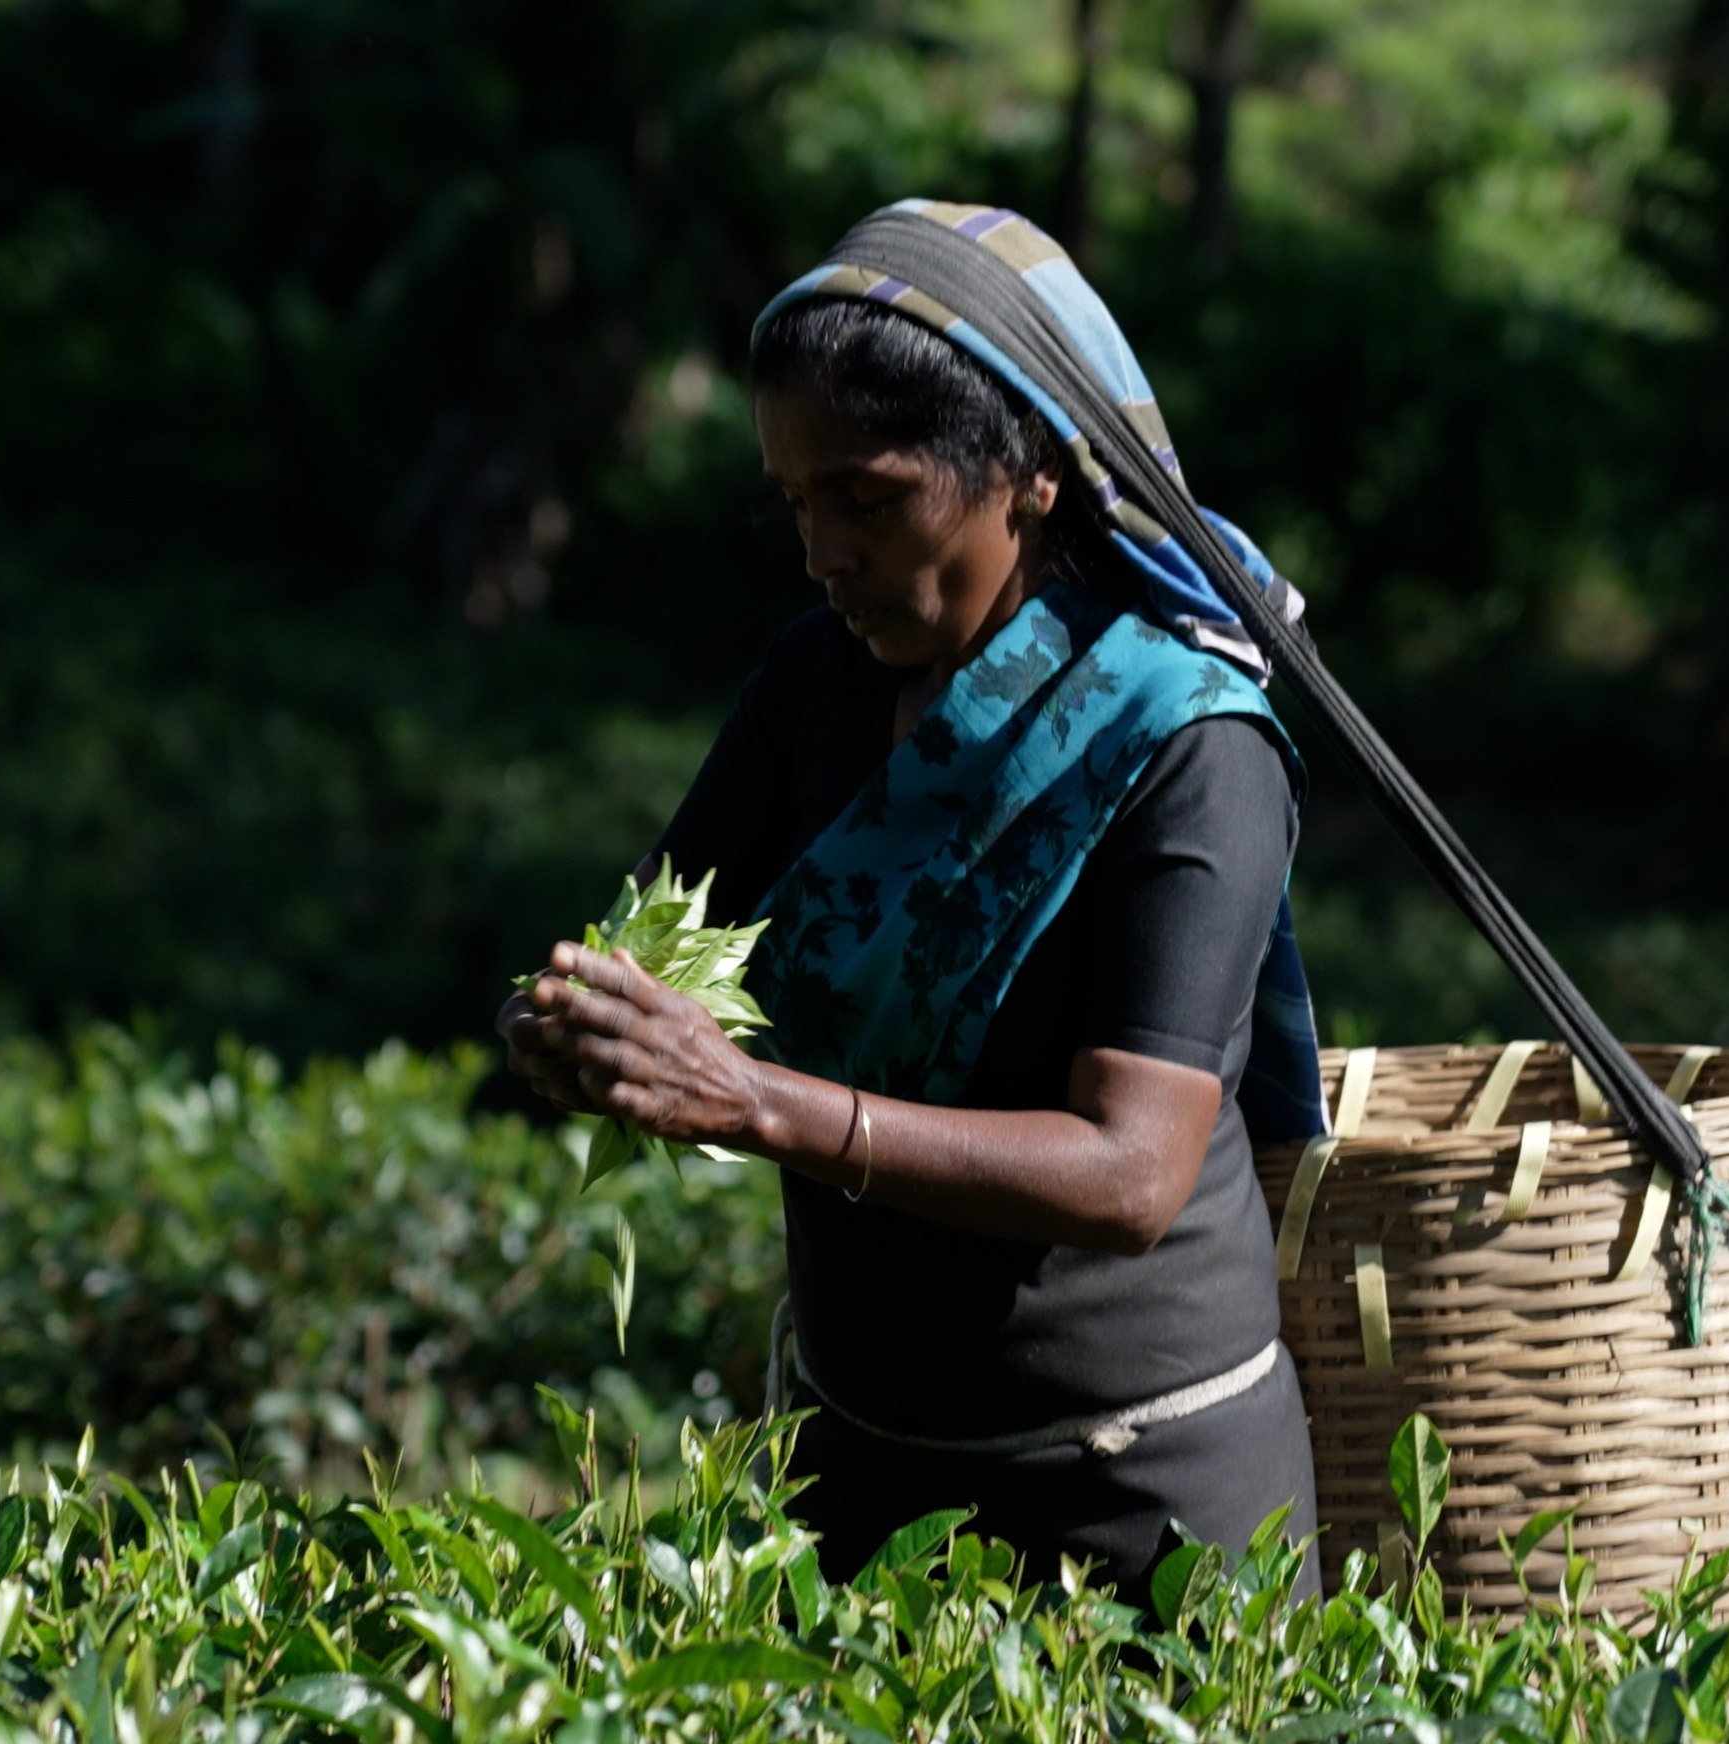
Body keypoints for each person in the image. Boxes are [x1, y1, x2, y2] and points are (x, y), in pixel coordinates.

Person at [497, 201, 1324, 1599]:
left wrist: (757, 1105)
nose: (827, 554)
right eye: (797, 504)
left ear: (1035, 476)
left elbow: (1130, 1175)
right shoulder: (813, 687)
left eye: (872, 500)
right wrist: (581, 1026)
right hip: (863, 1468)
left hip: (1133, 1500)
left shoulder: (1185, 743)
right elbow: (660, 941)